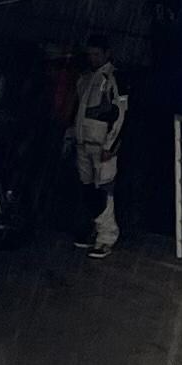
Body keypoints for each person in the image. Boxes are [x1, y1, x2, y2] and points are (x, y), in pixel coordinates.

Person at [68, 42, 130, 256]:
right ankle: (94, 230)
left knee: (105, 189)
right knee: (88, 190)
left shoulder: (114, 77)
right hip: (83, 141)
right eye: (90, 54)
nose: (93, 58)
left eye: (97, 53)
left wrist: (111, 145)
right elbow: (77, 111)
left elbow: (121, 113)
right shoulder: (85, 78)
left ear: (107, 52)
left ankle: (107, 236)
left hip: (102, 144)